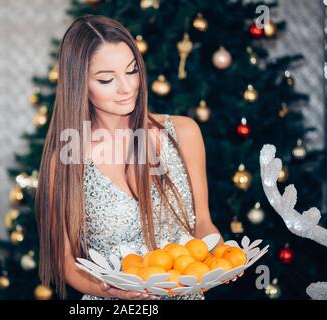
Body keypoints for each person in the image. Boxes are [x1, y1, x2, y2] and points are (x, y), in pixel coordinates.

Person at [35, 15, 238, 300]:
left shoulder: (184, 133)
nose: (127, 87)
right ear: (79, 83)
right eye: (106, 79)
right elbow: (65, 261)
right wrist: (110, 291)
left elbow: (202, 223)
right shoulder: (68, 159)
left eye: (131, 71)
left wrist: (223, 255)